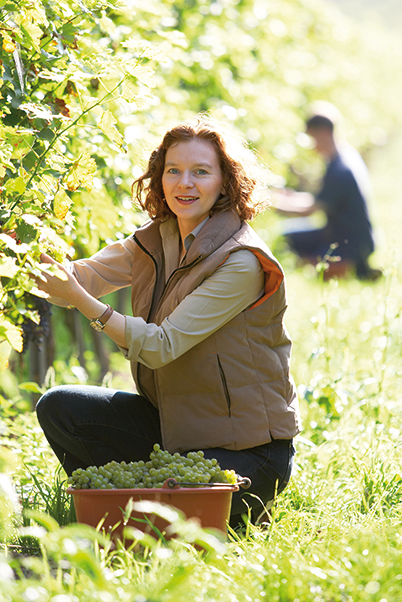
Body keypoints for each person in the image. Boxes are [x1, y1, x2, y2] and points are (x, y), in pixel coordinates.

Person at [35, 116, 301, 528]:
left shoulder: (242, 262)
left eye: (201, 172)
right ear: (159, 178)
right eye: (173, 170)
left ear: (226, 182)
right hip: (175, 431)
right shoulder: (156, 239)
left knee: (170, 507)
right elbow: (77, 278)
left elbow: (160, 347)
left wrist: (84, 304)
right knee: (61, 407)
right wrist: (18, 259)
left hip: (246, 452)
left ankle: (144, 511)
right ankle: (123, 510)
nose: (184, 184)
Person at [274, 114, 379, 280]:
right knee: (291, 234)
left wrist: (272, 203)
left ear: (322, 133)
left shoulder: (340, 170)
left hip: (348, 243)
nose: (311, 146)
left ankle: (347, 267)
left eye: (312, 138)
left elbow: (309, 211)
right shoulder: (345, 157)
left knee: (288, 240)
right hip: (351, 237)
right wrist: (290, 197)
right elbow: (321, 200)